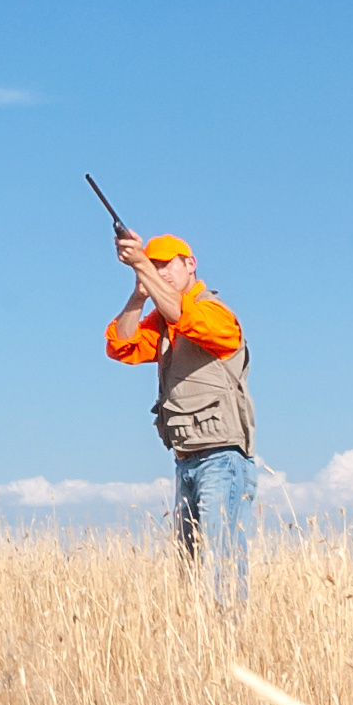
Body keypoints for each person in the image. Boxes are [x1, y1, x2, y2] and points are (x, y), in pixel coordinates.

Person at [104, 230, 256, 588]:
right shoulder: (161, 324)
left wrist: (141, 264)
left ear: (191, 264)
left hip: (223, 458)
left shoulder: (214, 313)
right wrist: (139, 294)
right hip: (185, 459)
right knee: (188, 567)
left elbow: (183, 316)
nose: (160, 272)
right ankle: (197, 636)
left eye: (165, 266)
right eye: (154, 266)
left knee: (221, 561)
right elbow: (121, 345)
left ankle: (228, 639)